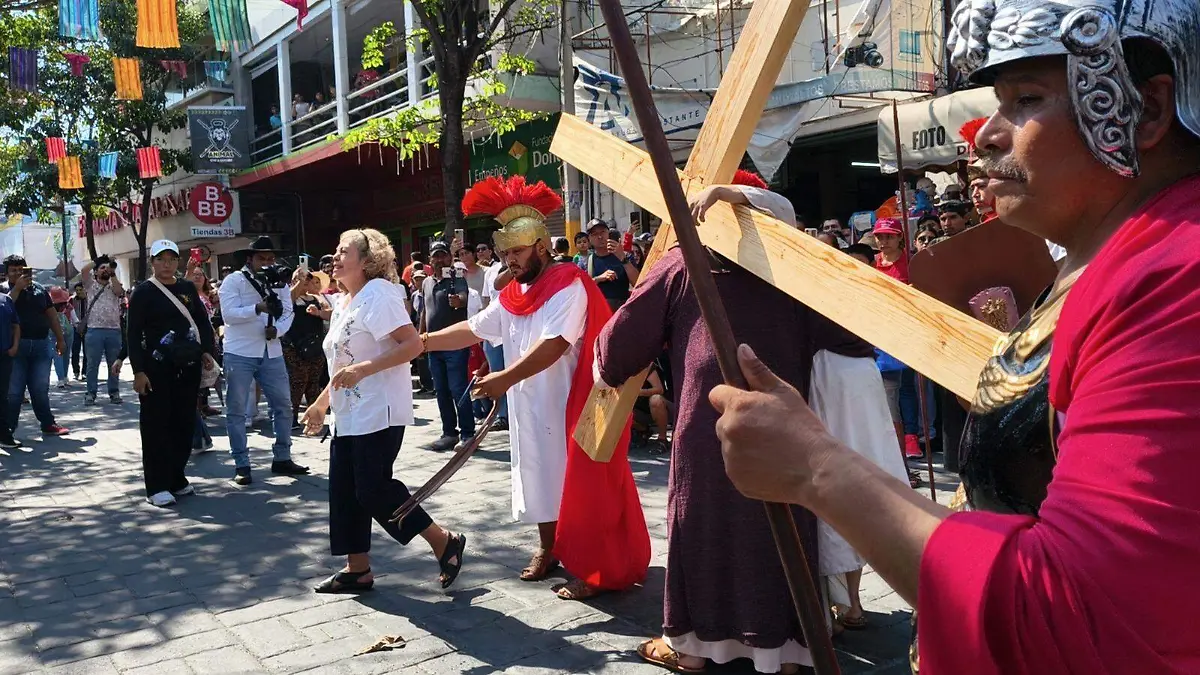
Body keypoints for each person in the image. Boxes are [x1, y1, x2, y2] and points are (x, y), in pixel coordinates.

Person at [711, 9, 1200, 674]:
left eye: (1026, 100)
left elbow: (1073, 615)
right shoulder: (1114, 254)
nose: (989, 135)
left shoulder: (1177, 277)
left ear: (1147, 109)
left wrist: (818, 469)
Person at [602, 174, 886, 674]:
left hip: (714, 437)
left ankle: (693, 648)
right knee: (771, 531)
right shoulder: (793, 274)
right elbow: (855, 339)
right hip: (775, 435)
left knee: (709, 526)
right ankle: (783, 654)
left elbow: (616, 350)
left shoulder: (686, 266)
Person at [425, 175, 650, 601]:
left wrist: (503, 379)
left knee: (581, 485)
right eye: (505, 252)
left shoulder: (568, 284)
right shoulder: (514, 293)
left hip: (572, 403)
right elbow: (474, 328)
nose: (509, 259)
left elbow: (554, 345)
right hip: (530, 405)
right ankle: (550, 549)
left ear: (542, 247)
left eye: (517, 251)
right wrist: (421, 341)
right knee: (538, 476)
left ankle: (595, 569)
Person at [300, 228, 466, 593]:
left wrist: (365, 369)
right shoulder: (345, 301)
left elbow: (412, 345)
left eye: (345, 251)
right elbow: (343, 362)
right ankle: (357, 568)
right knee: (344, 490)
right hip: (348, 413)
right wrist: (321, 403)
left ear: (366, 260)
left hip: (379, 409)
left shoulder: (378, 294)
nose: (336, 256)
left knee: (373, 489)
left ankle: (443, 541)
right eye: (336, 249)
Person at [127, 240, 217, 507]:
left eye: (171, 259)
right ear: (152, 262)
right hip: (156, 368)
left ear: (178, 262)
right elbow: (132, 334)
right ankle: (156, 485)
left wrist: (206, 351)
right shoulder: (143, 292)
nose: (166, 265)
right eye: (160, 259)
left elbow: (202, 322)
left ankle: (176, 477)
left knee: (183, 424)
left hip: (187, 365)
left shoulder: (187, 288)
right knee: (156, 426)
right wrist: (138, 371)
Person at [218, 236, 309, 485]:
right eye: (262, 258)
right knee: (237, 409)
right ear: (250, 259)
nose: (268, 263)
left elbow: (288, 311)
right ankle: (242, 463)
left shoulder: (279, 282)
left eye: (271, 258)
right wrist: (257, 309)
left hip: (272, 350)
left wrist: (278, 331)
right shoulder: (233, 280)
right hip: (240, 351)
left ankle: (282, 457)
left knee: (283, 406)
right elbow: (228, 315)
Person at [3, 256, 68, 437]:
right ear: (7, 273)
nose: (18, 273)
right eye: (14, 270)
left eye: (21, 269)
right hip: (16, 347)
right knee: (14, 391)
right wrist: (17, 288)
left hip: (41, 345)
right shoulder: (3, 290)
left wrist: (60, 339)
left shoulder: (39, 289)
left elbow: (52, 315)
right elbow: (5, 309)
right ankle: (8, 428)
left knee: (40, 388)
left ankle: (47, 424)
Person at [418, 240, 474, 451]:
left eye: (443, 255)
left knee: (458, 388)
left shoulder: (456, 276)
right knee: (441, 390)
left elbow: (464, 297)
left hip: (456, 344)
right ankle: (449, 433)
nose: (440, 259)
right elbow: (425, 311)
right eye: (436, 256)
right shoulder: (426, 282)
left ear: (450, 258)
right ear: (430, 260)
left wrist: (459, 301)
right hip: (433, 345)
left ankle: (468, 434)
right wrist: (420, 337)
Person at [284, 271, 327, 430]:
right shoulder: (290, 298)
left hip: (315, 346)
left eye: (308, 280)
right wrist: (298, 281)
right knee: (297, 382)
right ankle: (292, 417)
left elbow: (328, 311)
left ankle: (314, 417)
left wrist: (319, 309)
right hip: (294, 347)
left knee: (313, 383)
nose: (305, 282)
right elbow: (288, 299)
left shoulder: (317, 299)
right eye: (302, 280)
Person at [80, 255, 125, 405]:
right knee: (93, 364)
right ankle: (90, 393)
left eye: (107, 267)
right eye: (102, 268)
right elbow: (84, 270)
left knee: (114, 363)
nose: (105, 270)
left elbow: (119, 292)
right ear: (96, 272)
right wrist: (99, 260)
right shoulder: (90, 285)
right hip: (94, 330)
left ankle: (114, 392)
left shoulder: (114, 284)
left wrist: (113, 273)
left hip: (114, 330)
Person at [580, 219, 639, 311]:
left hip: (622, 312)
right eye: (595, 234)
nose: (600, 237)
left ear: (608, 233)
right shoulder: (586, 262)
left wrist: (623, 259)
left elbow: (637, 283)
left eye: (603, 232)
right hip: (600, 312)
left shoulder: (624, 255)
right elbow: (581, 288)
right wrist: (599, 278)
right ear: (589, 239)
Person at [0, 291, 19, 449]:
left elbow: (15, 325)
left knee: (2, 396)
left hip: (4, 355)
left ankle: (4, 435)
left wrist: (15, 346)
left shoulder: (6, 299)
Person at [872, 218, 909, 283]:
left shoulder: (911, 262)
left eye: (890, 237)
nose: (884, 242)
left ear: (900, 236)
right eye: (879, 237)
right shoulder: (871, 262)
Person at [69, 282, 86, 380]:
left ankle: (84, 372)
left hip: (87, 327)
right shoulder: (72, 300)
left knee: (87, 351)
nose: (78, 292)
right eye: (77, 290)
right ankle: (76, 371)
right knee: (75, 350)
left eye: (80, 290)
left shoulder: (89, 299)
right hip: (76, 327)